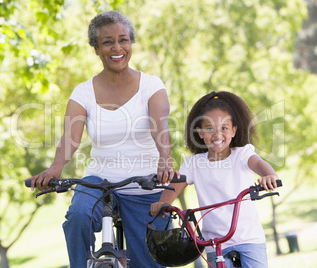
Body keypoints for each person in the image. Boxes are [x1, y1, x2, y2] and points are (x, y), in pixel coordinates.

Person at [27, 11, 176, 268]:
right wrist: (55, 168)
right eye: (107, 42)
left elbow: (159, 124)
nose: (117, 48)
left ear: (131, 43)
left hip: (145, 183)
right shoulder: (83, 91)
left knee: (149, 262)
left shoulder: (151, 85)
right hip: (100, 180)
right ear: (96, 48)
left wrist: (165, 159)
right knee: (77, 217)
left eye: (123, 40)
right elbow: (71, 137)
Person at [150, 91, 279, 268]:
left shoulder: (242, 154)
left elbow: (259, 164)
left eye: (224, 128)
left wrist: (269, 175)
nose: (217, 134)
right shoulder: (193, 164)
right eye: (210, 128)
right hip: (214, 242)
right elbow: (175, 186)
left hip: (248, 238)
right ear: (200, 133)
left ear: (234, 131)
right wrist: (162, 203)